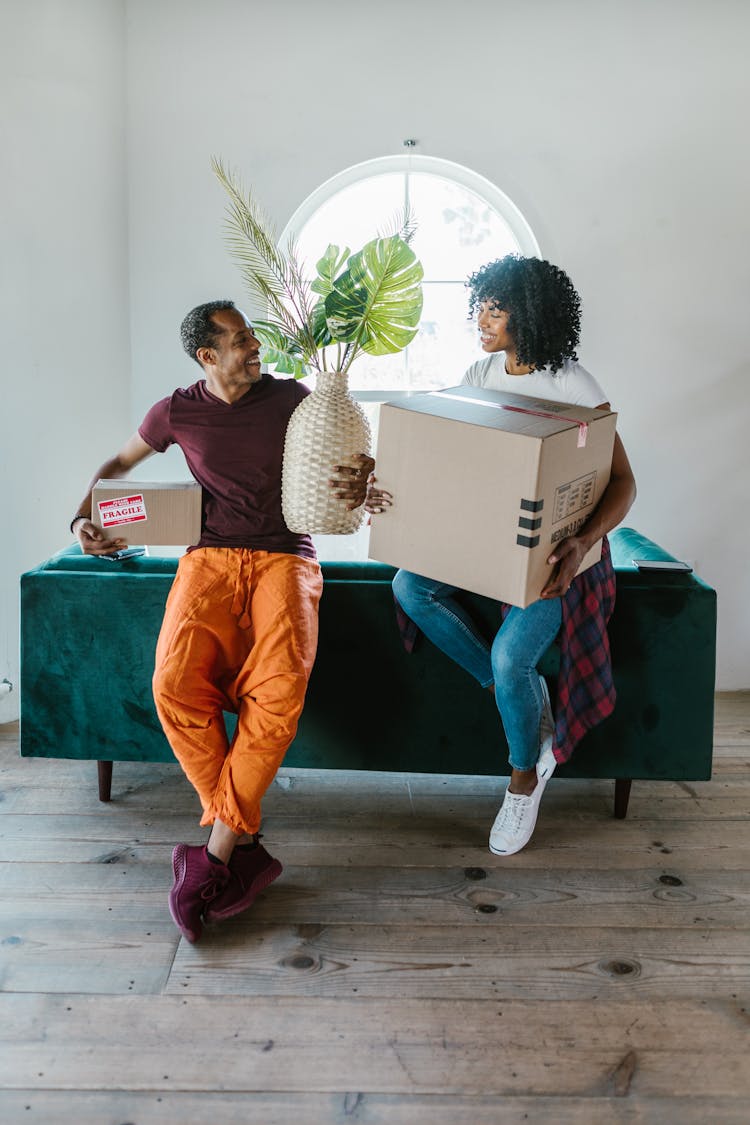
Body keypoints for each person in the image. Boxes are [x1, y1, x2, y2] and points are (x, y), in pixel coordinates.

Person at [71, 299, 361, 943]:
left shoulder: (296, 400)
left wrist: (360, 477)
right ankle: (244, 843)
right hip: (208, 557)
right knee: (172, 686)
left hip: (288, 556)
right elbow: (117, 468)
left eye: (253, 335)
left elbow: (349, 465)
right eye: (239, 339)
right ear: (207, 355)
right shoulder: (175, 412)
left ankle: (216, 859)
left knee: (278, 692)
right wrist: (81, 518)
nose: (255, 346)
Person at [337, 254, 636, 858]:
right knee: (408, 587)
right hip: (487, 543)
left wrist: (580, 544)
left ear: (528, 314)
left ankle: (524, 778)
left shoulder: (573, 387)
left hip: (559, 561)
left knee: (510, 660)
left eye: (494, 308)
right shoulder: (479, 370)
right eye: (481, 304)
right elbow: (459, 462)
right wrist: (389, 483)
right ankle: (512, 696)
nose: (481, 317)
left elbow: (623, 482)